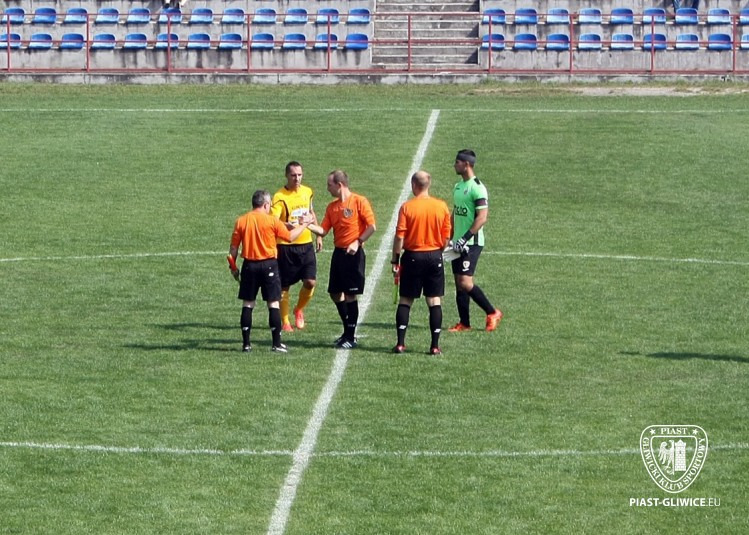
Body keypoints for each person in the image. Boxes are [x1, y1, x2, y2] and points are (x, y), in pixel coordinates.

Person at [229, 190, 312, 353]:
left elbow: (233, 248)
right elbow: (290, 237)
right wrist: (305, 224)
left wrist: (233, 267)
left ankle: (246, 344)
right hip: (269, 265)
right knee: (273, 303)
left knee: (248, 304)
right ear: (266, 204)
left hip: (249, 266)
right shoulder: (272, 221)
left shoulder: (241, 221)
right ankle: (276, 343)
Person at [307, 170, 376, 349]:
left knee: (350, 294)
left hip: (354, 254)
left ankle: (350, 337)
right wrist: (307, 225)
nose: (327, 188)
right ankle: (347, 331)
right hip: (339, 253)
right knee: (335, 293)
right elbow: (323, 230)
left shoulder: (359, 201)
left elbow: (372, 226)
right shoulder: (332, 207)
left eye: (329, 185)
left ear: (339, 185)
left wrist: (358, 242)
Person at [390, 170, 452, 355]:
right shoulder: (441, 206)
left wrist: (395, 260)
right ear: (428, 184)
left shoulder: (407, 207)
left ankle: (400, 343)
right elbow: (446, 237)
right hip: (434, 256)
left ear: (413, 185)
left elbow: (399, 236)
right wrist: (437, 251)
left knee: (406, 299)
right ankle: (434, 346)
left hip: (412, 256)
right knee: (434, 300)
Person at [449, 149, 503, 332]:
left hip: (471, 243)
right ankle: (464, 323)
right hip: (457, 242)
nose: (454, 165)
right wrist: (450, 236)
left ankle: (492, 312)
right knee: (459, 283)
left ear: (466, 164)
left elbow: (482, 217)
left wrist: (464, 239)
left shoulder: (477, 188)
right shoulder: (458, 187)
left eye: (457, 162)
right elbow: (455, 213)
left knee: (465, 282)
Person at [271, 161, 323, 333]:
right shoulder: (279, 196)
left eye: (299, 175)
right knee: (284, 286)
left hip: (306, 244)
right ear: (286, 175)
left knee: (310, 281)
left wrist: (318, 234)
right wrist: (288, 225)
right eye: (293, 175)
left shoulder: (308, 192)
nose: (297, 178)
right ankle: (285, 321)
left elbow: (311, 212)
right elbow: (273, 221)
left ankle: (299, 309)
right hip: (286, 246)